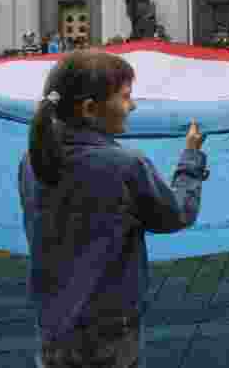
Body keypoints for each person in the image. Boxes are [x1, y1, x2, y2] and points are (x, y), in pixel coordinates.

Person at [20, 49, 209, 367]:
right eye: (125, 97)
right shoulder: (124, 165)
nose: (132, 106)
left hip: (52, 325)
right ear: (91, 109)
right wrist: (190, 157)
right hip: (108, 329)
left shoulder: (32, 161)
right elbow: (177, 214)